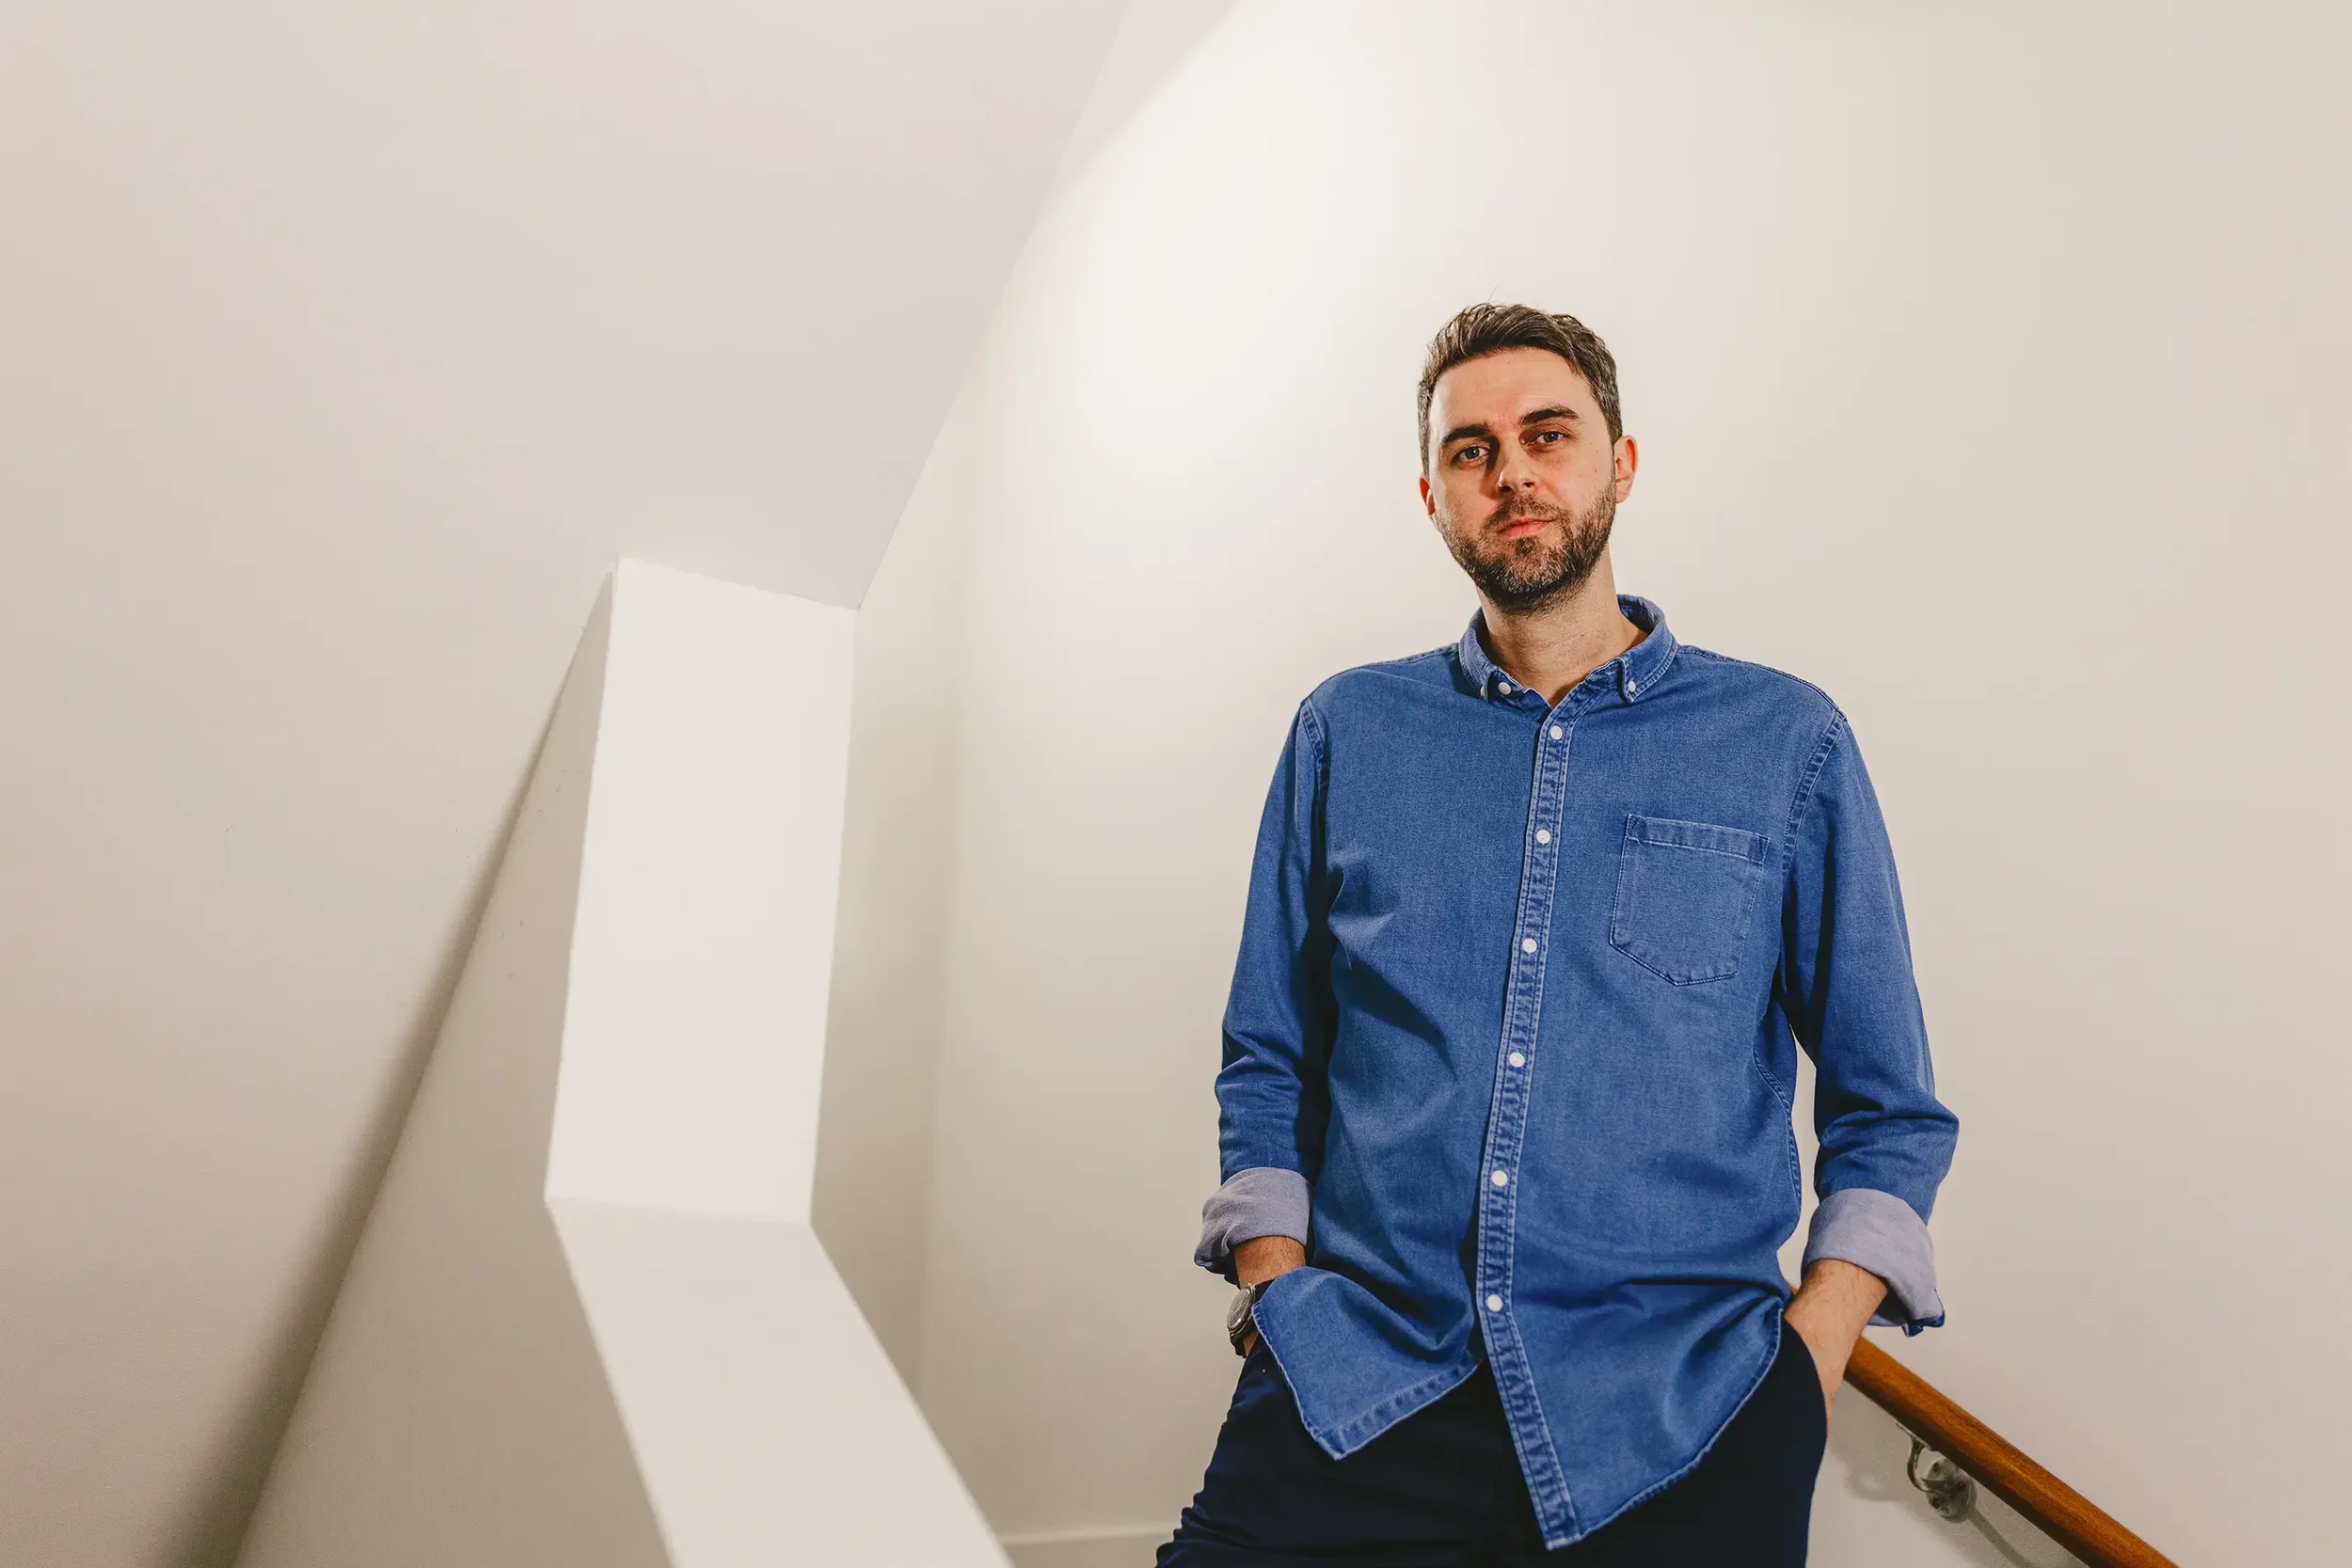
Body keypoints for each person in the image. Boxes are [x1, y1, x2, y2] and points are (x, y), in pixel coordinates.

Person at [1159, 304, 1960, 1566]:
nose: (1512, 474)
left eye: (1548, 434)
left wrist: (1805, 1369)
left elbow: (1890, 1105)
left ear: (1619, 463)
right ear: (1433, 495)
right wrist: (1276, 1289)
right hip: (1359, 1387)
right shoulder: (1345, 732)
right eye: (1471, 450)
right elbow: (1269, 1055)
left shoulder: (1785, 743)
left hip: (1683, 1417)